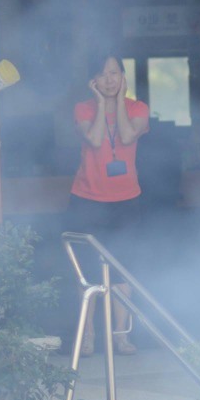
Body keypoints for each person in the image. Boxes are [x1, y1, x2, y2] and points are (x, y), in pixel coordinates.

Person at [68, 54, 149, 356]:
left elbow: (127, 136)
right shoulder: (83, 109)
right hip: (87, 199)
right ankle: (88, 337)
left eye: (115, 73)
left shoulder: (138, 108)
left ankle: (121, 336)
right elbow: (94, 138)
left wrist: (121, 101)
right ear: (93, 81)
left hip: (126, 200)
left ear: (124, 76)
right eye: (103, 74)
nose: (110, 79)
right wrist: (102, 105)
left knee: (121, 272)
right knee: (87, 273)